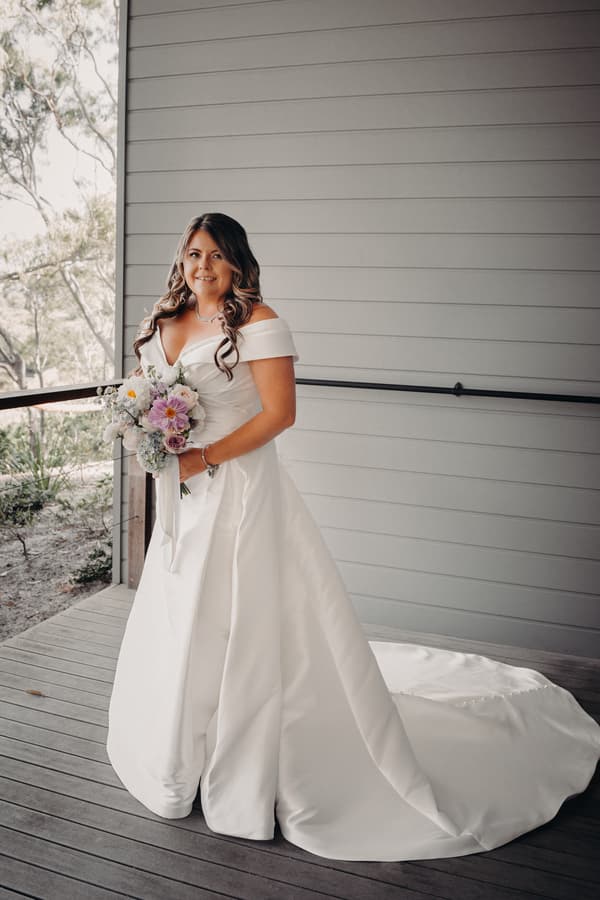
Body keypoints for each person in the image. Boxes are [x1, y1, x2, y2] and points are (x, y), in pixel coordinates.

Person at [106, 212, 600, 862]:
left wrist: (205, 457)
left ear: (237, 264)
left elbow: (281, 414)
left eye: (216, 256)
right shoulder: (166, 323)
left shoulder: (256, 322)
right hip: (184, 499)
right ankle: (181, 752)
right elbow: (144, 394)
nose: (202, 267)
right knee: (185, 618)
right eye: (194, 253)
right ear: (184, 258)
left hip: (241, 490)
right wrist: (152, 435)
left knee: (246, 622)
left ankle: (246, 758)